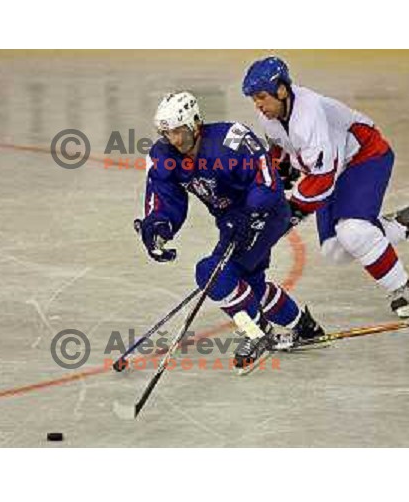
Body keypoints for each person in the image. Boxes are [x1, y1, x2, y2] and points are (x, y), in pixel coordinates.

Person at [242, 56, 409, 318]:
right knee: (336, 250)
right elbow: (281, 148)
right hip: (333, 168)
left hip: (365, 155)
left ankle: (404, 290)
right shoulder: (269, 116)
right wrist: (278, 171)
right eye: (253, 98)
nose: (258, 105)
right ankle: (407, 222)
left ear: (281, 90)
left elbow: (323, 182)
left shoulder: (308, 114)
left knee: (354, 232)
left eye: (261, 96)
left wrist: (286, 214)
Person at [137, 91, 324, 370]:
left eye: (178, 131)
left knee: (211, 273)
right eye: (166, 133)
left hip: (266, 213)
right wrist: (157, 227)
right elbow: (164, 197)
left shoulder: (232, 138)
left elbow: (266, 178)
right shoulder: (164, 155)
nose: (173, 140)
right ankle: (304, 327)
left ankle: (257, 332)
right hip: (230, 221)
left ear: (195, 123)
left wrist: (252, 216)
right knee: (249, 285)